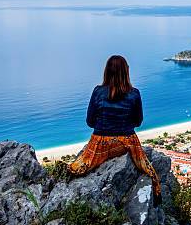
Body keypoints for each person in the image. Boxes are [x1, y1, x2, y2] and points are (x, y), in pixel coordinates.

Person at [68, 55, 162, 205]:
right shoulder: (134, 93)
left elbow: (90, 122)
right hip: (127, 143)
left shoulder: (98, 91)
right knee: (149, 171)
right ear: (126, 72)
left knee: (75, 168)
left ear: (106, 71)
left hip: (100, 143)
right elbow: (138, 122)